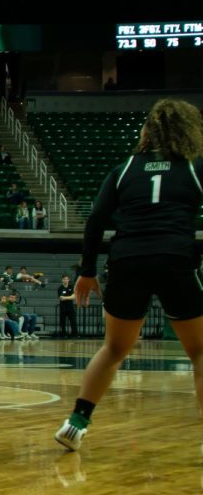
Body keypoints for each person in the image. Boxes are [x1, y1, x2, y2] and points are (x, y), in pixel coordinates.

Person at [55, 99, 203, 452]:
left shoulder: (124, 169)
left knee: (114, 348)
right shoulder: (195, 167)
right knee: (200, 351)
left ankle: (76, 423)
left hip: (127, 261)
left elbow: (95, 221)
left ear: (148, 131)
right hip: (175, 258)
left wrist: (87, 272)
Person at [57, 274, 78, 338]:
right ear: (62, 280)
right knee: (63, 322)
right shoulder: (60, 288)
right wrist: (69, 297)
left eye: (66, 279)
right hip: (63, 307)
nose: (65, 280)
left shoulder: (71, 287)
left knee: (73, 321)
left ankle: (74, 334)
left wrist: (66, 298)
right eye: (64, 279)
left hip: (70, 307)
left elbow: (74, 297)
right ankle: (63, 334)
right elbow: (61, 298)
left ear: (69, 280)